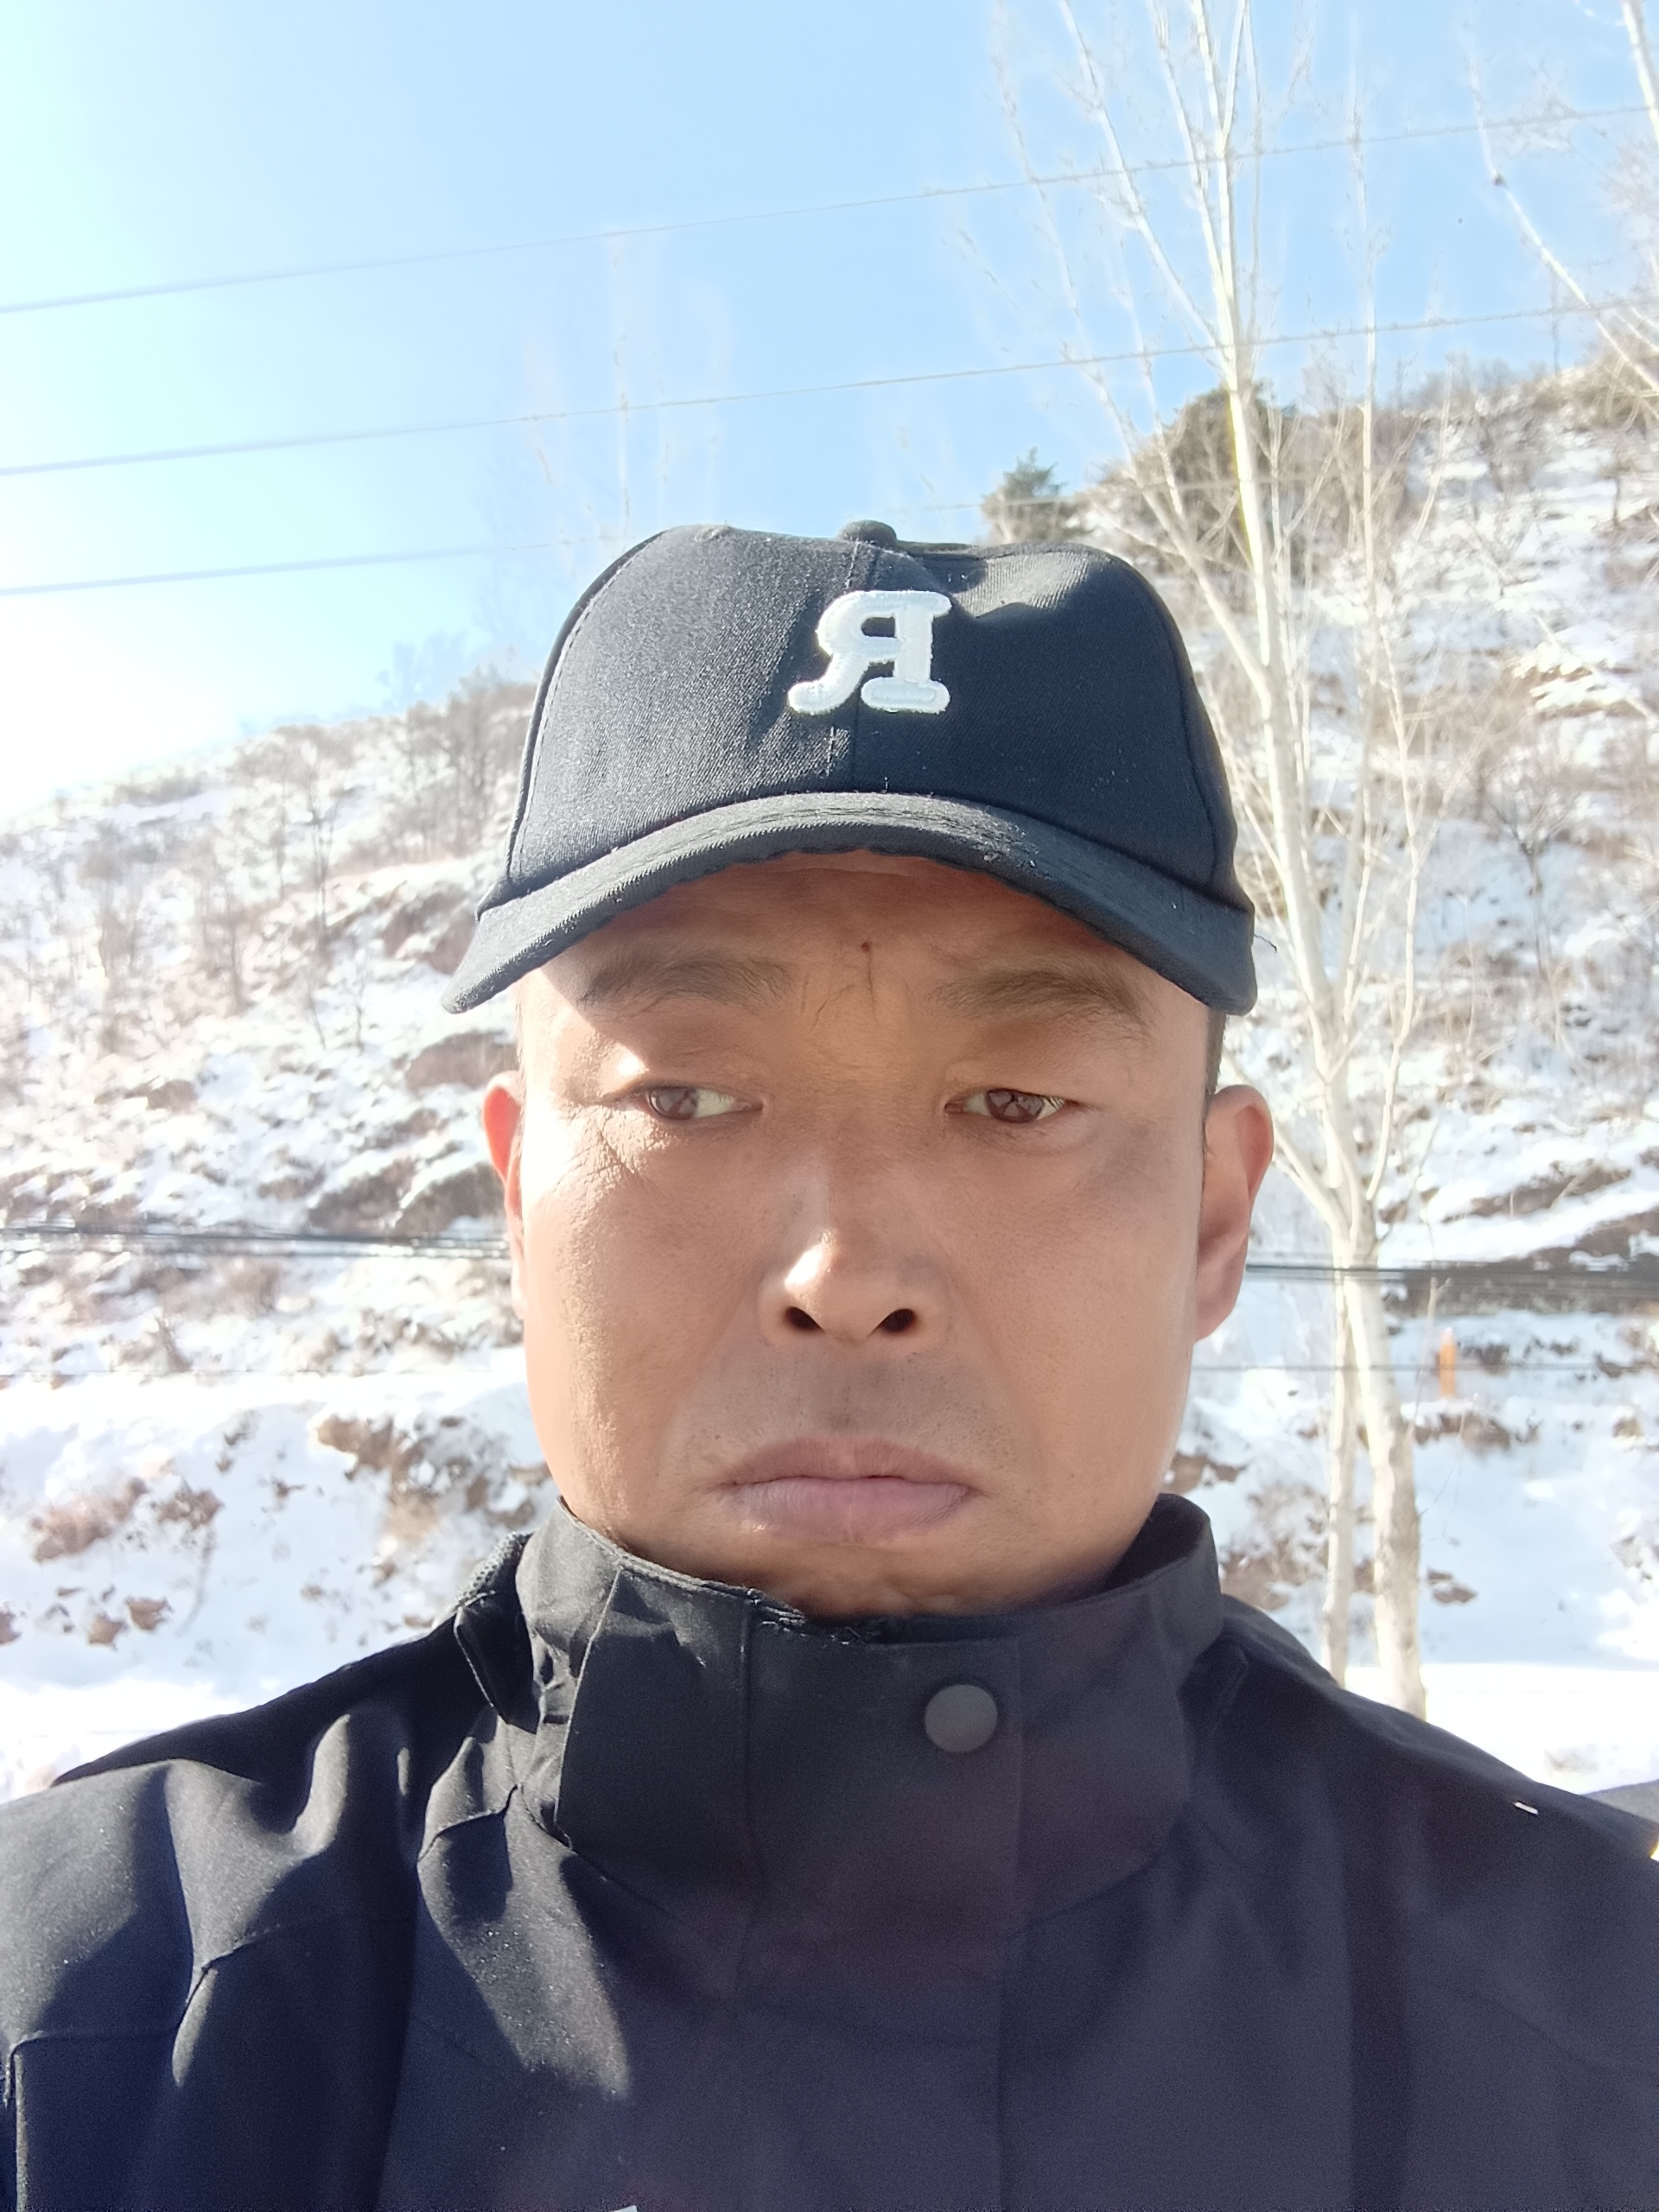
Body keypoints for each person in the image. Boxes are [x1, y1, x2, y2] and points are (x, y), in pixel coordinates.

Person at [2, 521, 1655, 2212]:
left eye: (1017, 1100)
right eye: (685, 1096)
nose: (846, 1273)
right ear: (517, 1199)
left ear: (1216, 1218)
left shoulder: (1599, 2029)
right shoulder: (74, 2018)